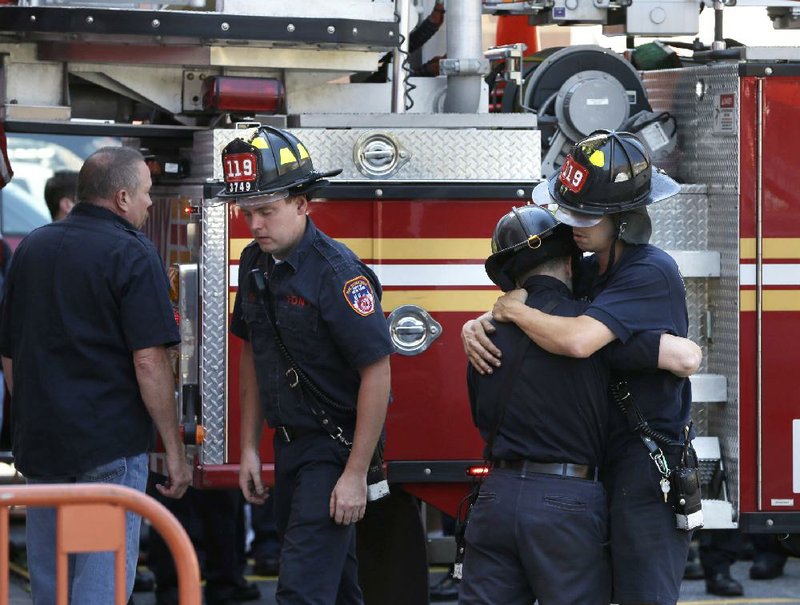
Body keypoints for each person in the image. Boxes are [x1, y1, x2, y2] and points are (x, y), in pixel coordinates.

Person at [462, 130, 697, 605]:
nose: (573, 224)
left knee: (640, 595)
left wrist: (511, 314)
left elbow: (576, 339)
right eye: (567, 210)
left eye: (587, 215)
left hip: (642, 465)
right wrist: (482, 321)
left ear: (626, 219)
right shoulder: (591, 269)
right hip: (596, 459)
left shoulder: (649, 270)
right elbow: (546, 297)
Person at [0, 146, 192, 605]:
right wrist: (174, 448)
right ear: (122, 197)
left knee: (54, 584)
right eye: (146, 194)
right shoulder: (131, 252)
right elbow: (149, 361)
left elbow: (9, 353)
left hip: (44, 447)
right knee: (98, 583)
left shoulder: (33, 246)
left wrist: (33, 413)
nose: (150, 203)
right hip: (106, 449)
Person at [223, 126, 393, 604]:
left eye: (266, 211)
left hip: (332, 449)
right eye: (246, 212)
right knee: (336, 589)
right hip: (290, 448)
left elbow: (377, 372)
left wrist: (356, 472)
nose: (254, 224)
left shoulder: (338, 273)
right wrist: (251, 449)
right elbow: (254, 354)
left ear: (302, 203)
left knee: (300, 590)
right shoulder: (254, 262)